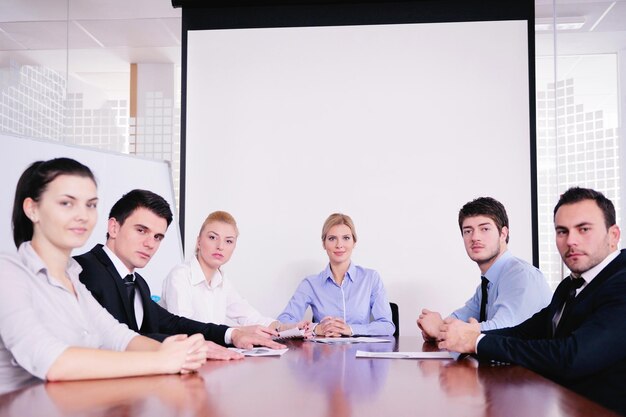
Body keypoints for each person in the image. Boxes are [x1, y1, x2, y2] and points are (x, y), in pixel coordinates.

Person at [0, 158, 209, 394]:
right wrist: (163, 360)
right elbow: (53, 363)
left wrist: (179, 352)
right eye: (67, 203)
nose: (83, 215)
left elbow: (119, 337)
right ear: (32, 209)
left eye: (90, 205)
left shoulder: (73, 277)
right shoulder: (7, 272)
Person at [438, 187, 626, 415]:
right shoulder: (571, 285)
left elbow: (570, 356)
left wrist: (477, 342)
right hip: (565, 406)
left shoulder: (621, 282)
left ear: (613, 235)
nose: (571, 241)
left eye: (583, 229)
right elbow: (526, 332)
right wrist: (469, 338)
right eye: (562, 231)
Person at [74, 189, 284, 354]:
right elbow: (114, 340)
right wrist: (190, 346)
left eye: (158, 237)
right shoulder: (81, 271)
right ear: (114, 228)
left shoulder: (137, 283)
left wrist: (231, 335)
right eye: (141, 230)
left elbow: (172, 324)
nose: (150, 244)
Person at [417, 197, 551, 340]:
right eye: (468, 231)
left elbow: (503, 331)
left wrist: (440, 331)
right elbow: (457, 320)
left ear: (503, 234)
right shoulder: (486, 285)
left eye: (485, 229)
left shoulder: (521, 275)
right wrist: (438, 329)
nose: (475, 237)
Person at [161, 211, 307, 332]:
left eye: (228, 241)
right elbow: (183, 329)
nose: (220, 246)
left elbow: (251, 317)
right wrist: (237, 332)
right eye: (212, 237)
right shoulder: (180, 275)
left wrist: (286, 328)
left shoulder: (222, 282)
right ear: (199, 242)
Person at [278, 213, 394, 337]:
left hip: (360, 353)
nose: (339, 245)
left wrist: (351, 329)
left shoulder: (370, 278)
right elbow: (282, 323)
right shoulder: (310, 284)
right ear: (324, 244)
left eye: (346, 238)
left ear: (354, 242)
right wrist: (315, 328)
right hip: (323, 353)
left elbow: (387, 326)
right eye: (332, 238)